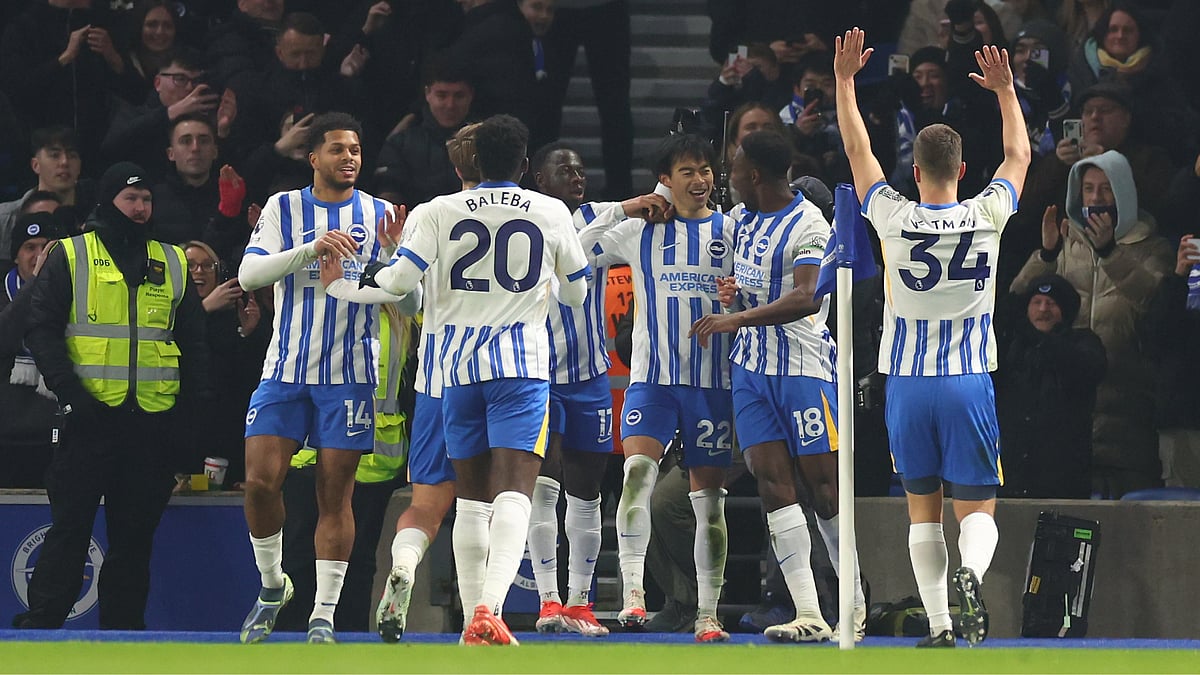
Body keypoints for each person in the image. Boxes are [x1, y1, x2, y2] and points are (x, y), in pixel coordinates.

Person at [834, 29, 1031, 647]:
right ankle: (971, 574)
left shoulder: (892, 216)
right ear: (963, 171)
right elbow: (1020, 156)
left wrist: (844, 82)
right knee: (976, 506)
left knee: (922, 508)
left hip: (907, 384)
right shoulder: (987, 213)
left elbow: (858, 149)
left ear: (915, 172)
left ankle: (942, 625)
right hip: (966, 380)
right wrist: (1005, 93)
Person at [364, 114, 590, 646]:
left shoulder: (437, 210)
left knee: (468, 499)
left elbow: (400, 282)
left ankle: (472, 621)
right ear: (525, 165)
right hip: (520, 367)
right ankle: (490, 608)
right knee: (514, 491)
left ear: (474, 162)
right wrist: (547, 290)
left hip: (455, 372)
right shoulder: (550, 211)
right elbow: (578, 293)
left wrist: (367, 277)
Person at [236, 111, 414, 645]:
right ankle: (273, 585)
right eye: (337, 149)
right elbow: (249, 274)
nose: (349, 157)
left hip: (351, 377)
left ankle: (323, 615)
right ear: (313, 157)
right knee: (261, 482)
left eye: (355, 149)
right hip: (285, 370)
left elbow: (409, 302)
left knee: (336, 497)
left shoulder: (380, 215)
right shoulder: (283, 208)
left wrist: (393, 257)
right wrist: (310, 250)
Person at [14, 161, 210, 629]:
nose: (140, 208)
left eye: (146, 199)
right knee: (69, 531)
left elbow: (194, 345)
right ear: (108, 201)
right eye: (131, 198)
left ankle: (124, 635)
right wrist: (70, 396)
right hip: (87, 419)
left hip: (151, 425)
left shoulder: (173, 261)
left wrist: (189, 417)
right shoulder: (72, 254)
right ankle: (42, 628)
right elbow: (41, 330)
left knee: (134, 542)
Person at [689, 129, 867, 642]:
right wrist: (735, 294)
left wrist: (736, 318)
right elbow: (749, 279)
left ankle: (853, 605)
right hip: (751, 371)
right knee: (771, 483)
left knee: (824, 489)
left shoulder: (809, 223)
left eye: (734, 168)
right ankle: (808, 612)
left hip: (803, 369)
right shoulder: (742, 219)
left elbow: (808, 296)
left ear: (755, 175)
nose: (728, 176)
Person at [577, 133, 737, 643]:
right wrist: (627, 207)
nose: (699, 180)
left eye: (705, 170)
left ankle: (708, 613)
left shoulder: (732, 230)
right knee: (637, 476)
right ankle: (632, 595)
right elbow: (572, 248)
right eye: (687, 171)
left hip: (712, 383)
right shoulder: (639, 231)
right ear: (665, 180)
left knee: (708, 503)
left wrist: (736, 300)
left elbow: (756, 295)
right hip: (653, 380)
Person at [526, 142, 669, 637]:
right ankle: (547, 602)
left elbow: (622, 230)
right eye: (565, 169)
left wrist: (664, 187)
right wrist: (624, 207)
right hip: (538, 376)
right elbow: (566, 254)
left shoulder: (599, 217)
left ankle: (579, 604)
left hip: (589, 379)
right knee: (543, 489)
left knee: (586, 494)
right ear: (540, 179)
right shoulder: (530, 223)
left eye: (581, 169)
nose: (577, 176)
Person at [1010, 150, 1172, 498]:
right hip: (1065, 419)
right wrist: (1047, 255)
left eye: (1106, 188)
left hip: (1128, 411)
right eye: (1088, 189)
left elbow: (1155, 303)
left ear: (1123, 191)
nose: (1096, 198)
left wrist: (1111, 252)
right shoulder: (1067, 243)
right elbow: (1019, 301)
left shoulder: (1153, 247)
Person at [374, 122, 480, 643]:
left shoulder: (427, 215)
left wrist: (395, 253)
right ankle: (482, 611)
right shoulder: (530, 214)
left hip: (435, 381)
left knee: (426, 505)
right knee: (484, 502)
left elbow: (408, 298)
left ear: (456, 166)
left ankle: (406, 564)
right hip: (496, 378)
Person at [994, 273, 1106, 498]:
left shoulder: (1084, 342)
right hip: (1011, 475)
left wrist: (1040, 340)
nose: (1043, 309)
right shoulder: (1012, 347)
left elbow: (1084, 368)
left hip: (1063, 478)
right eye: (1036, 302)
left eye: (1051, 303)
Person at [180, 239, 270, 483]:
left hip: (225, 424)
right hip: (184, 422)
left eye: (207, 266)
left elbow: (246, 375)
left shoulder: (233, 313)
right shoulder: (167, 309)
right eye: (191, 265)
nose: (199, 271)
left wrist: (248, 332)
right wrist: (203, 309)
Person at [0, 213, 66, 489]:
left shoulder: (73, 296)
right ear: (15, 256)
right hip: (7, 435)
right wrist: (36, 283)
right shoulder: (3, 294)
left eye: (45, 247)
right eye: (30, 247)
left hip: (58, 435)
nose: (39, 255)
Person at [373, 59, 476, 209]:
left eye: (459, 96)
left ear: (471, 95)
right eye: (442, 95)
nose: (450, 105)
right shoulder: (399, 144)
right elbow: (388, 196)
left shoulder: (485, 143)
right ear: (428, 93)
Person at [0, 127, 93, 271]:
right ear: (35, 165)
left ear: (80, 165)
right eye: (55, 155)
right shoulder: (4, 219)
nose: (64, 162)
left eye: (72, 155)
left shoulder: (94, 218)